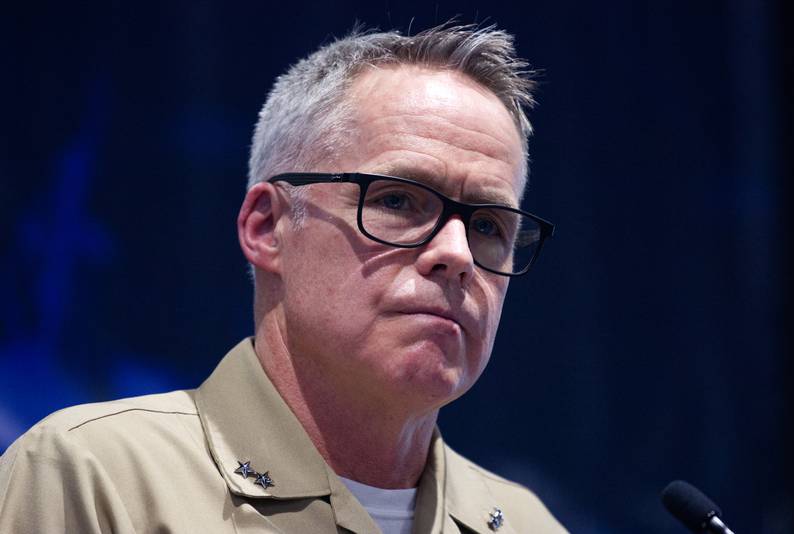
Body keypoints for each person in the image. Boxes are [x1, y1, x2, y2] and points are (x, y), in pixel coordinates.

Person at [0, 24, 565, 533]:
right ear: (268, 228)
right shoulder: (94, 479)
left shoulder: (529, 525)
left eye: (489, 224)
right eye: (398, 199)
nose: (457, 254)